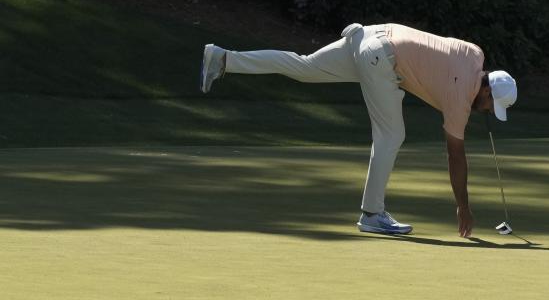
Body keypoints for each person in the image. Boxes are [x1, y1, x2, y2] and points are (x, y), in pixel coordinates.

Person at [199, 22, 517, 238]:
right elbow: (455, 155)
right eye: (491, 106)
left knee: (304, 66)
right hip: (381, 58)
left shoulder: (475, 53)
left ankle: (224, 59)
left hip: (367, 35)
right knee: (392, 135)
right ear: (487, 92)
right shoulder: (460, 97)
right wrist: (463, 206)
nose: (488, 111)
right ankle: (372, 214)